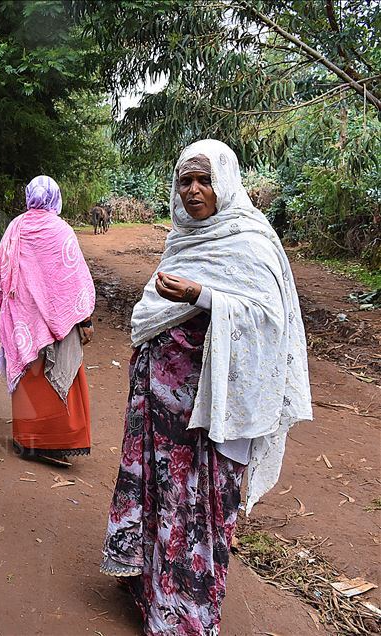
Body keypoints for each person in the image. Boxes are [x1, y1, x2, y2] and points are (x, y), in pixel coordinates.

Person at [100, 139, 312, 636]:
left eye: (204, 180)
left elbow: (269, 320)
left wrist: (204, 295)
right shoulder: (183, 238)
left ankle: (185, 615)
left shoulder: (251, 242)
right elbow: (156, 310)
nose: (194, 191)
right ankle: (147, 587)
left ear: (226, 182)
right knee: (161, 494)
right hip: (161, 406)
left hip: (214, 410)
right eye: (184, 181)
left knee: (199, 504)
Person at [0, 175, 96, 466]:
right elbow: (73, 278)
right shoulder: (61, 231)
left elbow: (1, 270)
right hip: (55, 318)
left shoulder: (15, 227)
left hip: (22, 316)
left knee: (28, 372)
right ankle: (55, 441)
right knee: (57, 370)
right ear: (55, 198)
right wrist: (84, 320)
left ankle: (26, 439)